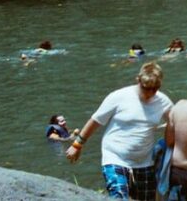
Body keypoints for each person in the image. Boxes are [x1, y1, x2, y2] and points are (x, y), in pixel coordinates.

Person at [67, 62, 173, 200]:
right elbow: (95, 121)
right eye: (146, 88)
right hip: (115, 157)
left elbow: (175, 122)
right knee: (119, 196)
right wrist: (77, 145)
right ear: (138, 80)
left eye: (154, 89)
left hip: (144, 161)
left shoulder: (163, 102)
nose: (149, 93)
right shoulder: (119, 97)